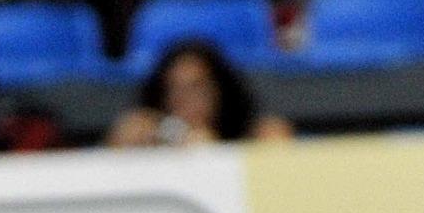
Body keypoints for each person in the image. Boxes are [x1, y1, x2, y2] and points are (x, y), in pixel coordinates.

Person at [107, 39, 293, 148]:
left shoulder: (252, 133)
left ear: (219, 91)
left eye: (196, 88)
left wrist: (216, 150)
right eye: (174, 89)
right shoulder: (148, 133)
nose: (184, 99)